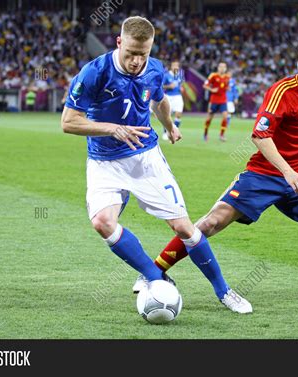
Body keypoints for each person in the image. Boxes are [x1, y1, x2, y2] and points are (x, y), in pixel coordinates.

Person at [141, 36, 298, 316]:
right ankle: (153, 271)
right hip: (263, 175)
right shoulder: (282, 91)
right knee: (211, 223)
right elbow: (260, 135)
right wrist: (287, 171)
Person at [61, 16, 251, 314]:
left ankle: (224, 291)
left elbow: (160, 100)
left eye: (143, 54)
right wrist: (112, 128)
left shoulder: (156, 69)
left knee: (184, 228)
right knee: (103, 223)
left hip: (146, 159)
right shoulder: (94, 72)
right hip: (104, 161)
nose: (137, 61)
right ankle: (154, 277)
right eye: (131, 54)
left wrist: (170, 125)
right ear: (119, 42)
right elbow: (68, 122)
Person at [203, 62, 230, 142]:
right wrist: (211, 89)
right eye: (220, 66)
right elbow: (205, 85)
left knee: (225, 116)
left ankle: (222, 135)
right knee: (209, 118)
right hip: (214, 100)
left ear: (226, 68)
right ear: (218, 68)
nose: (222, 68)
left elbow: (226, 86)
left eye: (224, 67)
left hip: (223, 100)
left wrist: (227, 88)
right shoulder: (213, 75)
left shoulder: (227, 77)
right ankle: (205, 133)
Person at [161, 60, 184, 141]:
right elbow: (161, 86)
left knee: (178, 114)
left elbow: (181, 84)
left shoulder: (180, 74)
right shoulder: (166, 75)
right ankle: (165, 132)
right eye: (174, 65)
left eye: (177, 65)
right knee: (168, 116)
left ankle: (175, 132)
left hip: (178, 96)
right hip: (168, 97)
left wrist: (181, 88)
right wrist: (169, 86)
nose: (176, 67)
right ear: (171, 66)